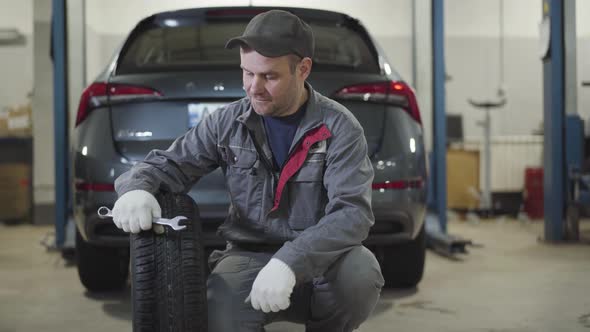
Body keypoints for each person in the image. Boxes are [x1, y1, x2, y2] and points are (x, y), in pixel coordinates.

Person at [112, 9, 384, 332]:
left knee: (360, 274)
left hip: (319, 260)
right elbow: (169, 163)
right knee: (219, 315)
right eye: (246, 73)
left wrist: (290, 261)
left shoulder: (340, 128)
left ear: (303, 69)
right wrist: (137, 188)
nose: (253, 87)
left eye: (269, 76)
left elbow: (352, 214)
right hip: (248, 257)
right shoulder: (227, 123)